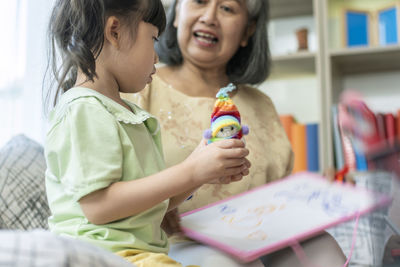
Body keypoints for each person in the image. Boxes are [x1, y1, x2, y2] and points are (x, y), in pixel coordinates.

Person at [122, 0, 347, 266]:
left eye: (227, 8)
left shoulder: (261, 105)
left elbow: (280, 199)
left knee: (322, 247)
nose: (209, 17)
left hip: (259, 240)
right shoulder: (138, 90)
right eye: (199, 2)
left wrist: (315, 195)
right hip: (171, 245)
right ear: (176, 14)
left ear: (248, 31)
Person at [43, 0, 251, 266]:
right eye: (153, 39)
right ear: (114, 32)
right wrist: (192, 171)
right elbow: (98, 206)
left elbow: (154, 202)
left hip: (137, 255)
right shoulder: (83, 108)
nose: (157, 56)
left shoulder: (124, 113)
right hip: (100, 253)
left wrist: (202, 165)